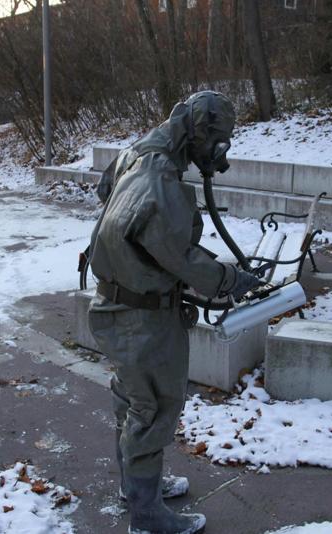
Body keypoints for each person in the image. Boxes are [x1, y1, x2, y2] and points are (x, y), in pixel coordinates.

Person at [86, 91, 262, 534]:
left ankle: (136, 488)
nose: (220, 152)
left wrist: (133, 256)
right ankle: (146, 517)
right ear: (200, 131)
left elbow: (107, 193)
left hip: (118, 302)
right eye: (219, 141)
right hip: (141, 317)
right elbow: (177, 253)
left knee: (133, 400)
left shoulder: (139, 152)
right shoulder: (161, 173)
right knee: (153, 407)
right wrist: (229, 280)